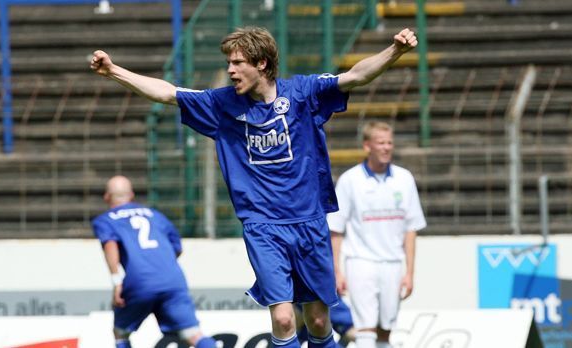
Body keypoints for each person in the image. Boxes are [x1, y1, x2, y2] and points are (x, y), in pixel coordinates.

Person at [90, 26, 417, 347]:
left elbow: (356, 75)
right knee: (285, 318)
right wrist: (115, 71)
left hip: (310, 222)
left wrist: (395, 51)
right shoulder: (221, 104)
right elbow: (167, 92)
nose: (230, 71)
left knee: (318, 320)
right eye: (228, 63)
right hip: (263, 226)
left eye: (237, 63)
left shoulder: (303, 93)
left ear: (261, 63)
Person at [327, 121, 427, 348]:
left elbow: (411, 229)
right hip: (361, 263)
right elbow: (336, 229)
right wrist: (337, 271)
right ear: (367, 146)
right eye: (380, 143)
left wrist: (409, 272)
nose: (386, 148)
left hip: (393, 263)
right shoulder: (350, 180)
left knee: (385, 329)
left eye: (389, 142)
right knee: (365, 328)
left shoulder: (404, 179)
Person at [92, 175, 216, 348]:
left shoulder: (105, 220)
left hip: (139, 280)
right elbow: (177, 247)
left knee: (121, 332)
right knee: (193, 334)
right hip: (172, 279)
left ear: (107, 197)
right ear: (131, 195)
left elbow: (110, 245)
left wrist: (116, 280)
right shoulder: (156, 215)